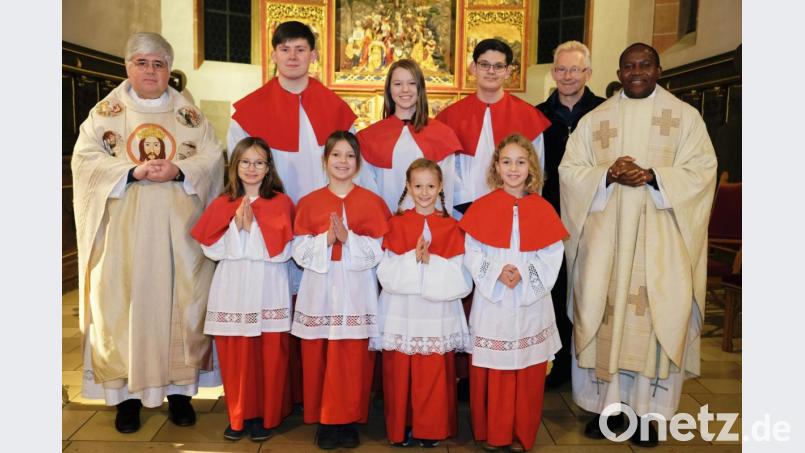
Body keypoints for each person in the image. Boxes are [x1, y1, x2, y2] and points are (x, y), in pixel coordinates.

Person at [559, 43, 717, 447]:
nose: (636, 72)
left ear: (658, 70)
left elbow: (702, 171)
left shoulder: (685, 118)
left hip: (660, 245)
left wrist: (654, 176)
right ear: (618, 70)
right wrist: (605, 175)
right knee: (603, 315)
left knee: (650, 325)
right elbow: (570, 171)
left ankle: (646, 416)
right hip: (606, 246)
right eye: (629, 65)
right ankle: (604, 409)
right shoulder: (596, 121)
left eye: (645, 64)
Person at [71, 32, 224, 433]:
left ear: (169, 71)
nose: (150, 70)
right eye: (141, 62)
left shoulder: (189, 115)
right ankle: (126, 400)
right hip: (123, 234)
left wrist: (181, 170)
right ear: (127, 67)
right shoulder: (105, 115)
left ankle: (179, 394)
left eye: (158, 64)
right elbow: (84, 161)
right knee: (122, 306)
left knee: (182, 304)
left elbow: (212, 157)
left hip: (181, 232)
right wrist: (130, 171)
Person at [228, 20, 359, 406]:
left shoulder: (335, 109)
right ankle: (277, 396)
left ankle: (315, 393)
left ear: (314, 55)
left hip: (322, 224)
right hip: (272, 222)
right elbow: (238, 170)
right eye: (285, 49)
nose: (293, 57)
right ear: (273, 54)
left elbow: (347, 166)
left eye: (301, 49)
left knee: (318, 306)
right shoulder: (248, 111)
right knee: (275, 311)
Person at [458, 134, 567, 452]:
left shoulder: (543, 208)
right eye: (506, 161)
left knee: (527, 372)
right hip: (494, 301)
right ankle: (495, 433)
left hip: (530, 300)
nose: (513, 168)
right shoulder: (482, 208)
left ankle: (522, 433)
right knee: (496, 371)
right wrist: (495, 272)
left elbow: (552, 254)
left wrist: (525, 274)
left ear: (531, 167)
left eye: (521, 161)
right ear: (496, 167)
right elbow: (472, 251)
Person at [291, 131, 392, 449]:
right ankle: (325, 419)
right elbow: (298, 251)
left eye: (349, 155)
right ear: (325, 160)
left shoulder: (372, 202)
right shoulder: (309, 202)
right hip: (320, 288)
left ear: (358, 162)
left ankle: (349, 420)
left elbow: (379, 251)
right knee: (320, 353)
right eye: (336, 155)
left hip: (355, 288)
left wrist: (350, 239)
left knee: (352, 357)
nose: (343, 161)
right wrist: (326, 240)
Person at [190, 137, 294, 442]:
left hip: (268, 287)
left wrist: (252, 231)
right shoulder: (222, 203)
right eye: (245, 162)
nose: (251, 168)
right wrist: (236, 228)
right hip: (232, 288)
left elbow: (285, 251)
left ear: (268, 168)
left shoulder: (281, 202)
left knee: (270, 356)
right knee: (236, 358)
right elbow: (210, 249)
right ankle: (239, 416)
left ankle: (267, 416)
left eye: (259, 162)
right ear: (234, 166)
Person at [374, 158, 472, 448]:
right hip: (401, 312)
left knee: (433, 372)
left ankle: (431, 428)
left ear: (441, 187)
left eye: (430, 186)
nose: (425, 192)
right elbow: (384, 273)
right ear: (408, 186)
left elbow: (462, 279)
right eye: (418, 186)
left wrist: (432, 262)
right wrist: (411, 259)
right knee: (399, 372)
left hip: (436, 313)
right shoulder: (396, 224)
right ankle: (401, 425)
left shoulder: (451, 227)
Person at [535, 40, 605, 389]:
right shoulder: (537, 115)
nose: (567, 76)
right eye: (561, 69)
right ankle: (560, 365)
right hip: (550, 216)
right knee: (557, 288)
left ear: (588, 73)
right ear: (553, 72)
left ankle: (591, 366)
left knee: (591, 288)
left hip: (595, 217)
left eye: (575, 69)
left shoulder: (605, 113)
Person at [436, 38, 551, 215]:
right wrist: (463, 203)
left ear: (508, 71)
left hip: (513, 211)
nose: (491, 71)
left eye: (498, 66)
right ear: (473, 68)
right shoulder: (449, 117)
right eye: (484, 65)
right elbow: (443, 170)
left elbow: (536, 170)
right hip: (461, 212)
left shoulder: (528, 116)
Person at [356, 59, 462, 214]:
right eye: (397, 84)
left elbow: (447, 189)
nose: (405, 89)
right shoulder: (369, 137)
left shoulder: (442, 134)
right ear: (389, 90)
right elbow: (368, 190)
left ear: (420, 88)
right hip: (387, 228)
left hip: (429, 229)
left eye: (412, 83)